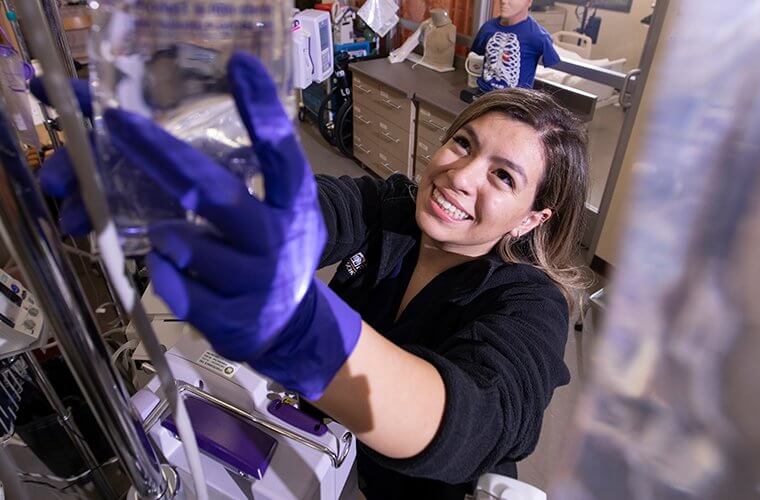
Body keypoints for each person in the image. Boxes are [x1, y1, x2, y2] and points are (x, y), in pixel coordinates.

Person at [32, 52, 589, 499]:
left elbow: (472, 419)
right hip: (316, 447)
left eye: (503, 177)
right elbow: (310, 212)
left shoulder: (531, 304)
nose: (461, 176)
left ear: (532, 218)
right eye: (463, 143)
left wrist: (304, 332)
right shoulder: (390, 208)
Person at [470, 0, 561, 92]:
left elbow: (554, 64)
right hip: (483, 94)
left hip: (517, 98)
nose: (504, 1)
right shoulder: (487, 28)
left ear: (528, 2)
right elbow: (477, 55)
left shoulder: (537, 36)